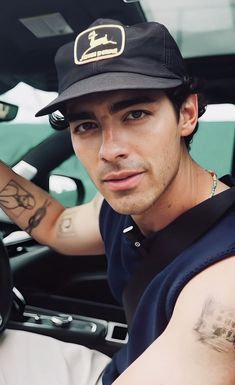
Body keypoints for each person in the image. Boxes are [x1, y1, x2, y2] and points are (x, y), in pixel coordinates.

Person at [0, 17, 235, 385]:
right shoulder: (115, 210)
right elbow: (54, 226)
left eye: (136, 114)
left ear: (186, 114)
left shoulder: (225, 285)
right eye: (87, 126)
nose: (110, 151)